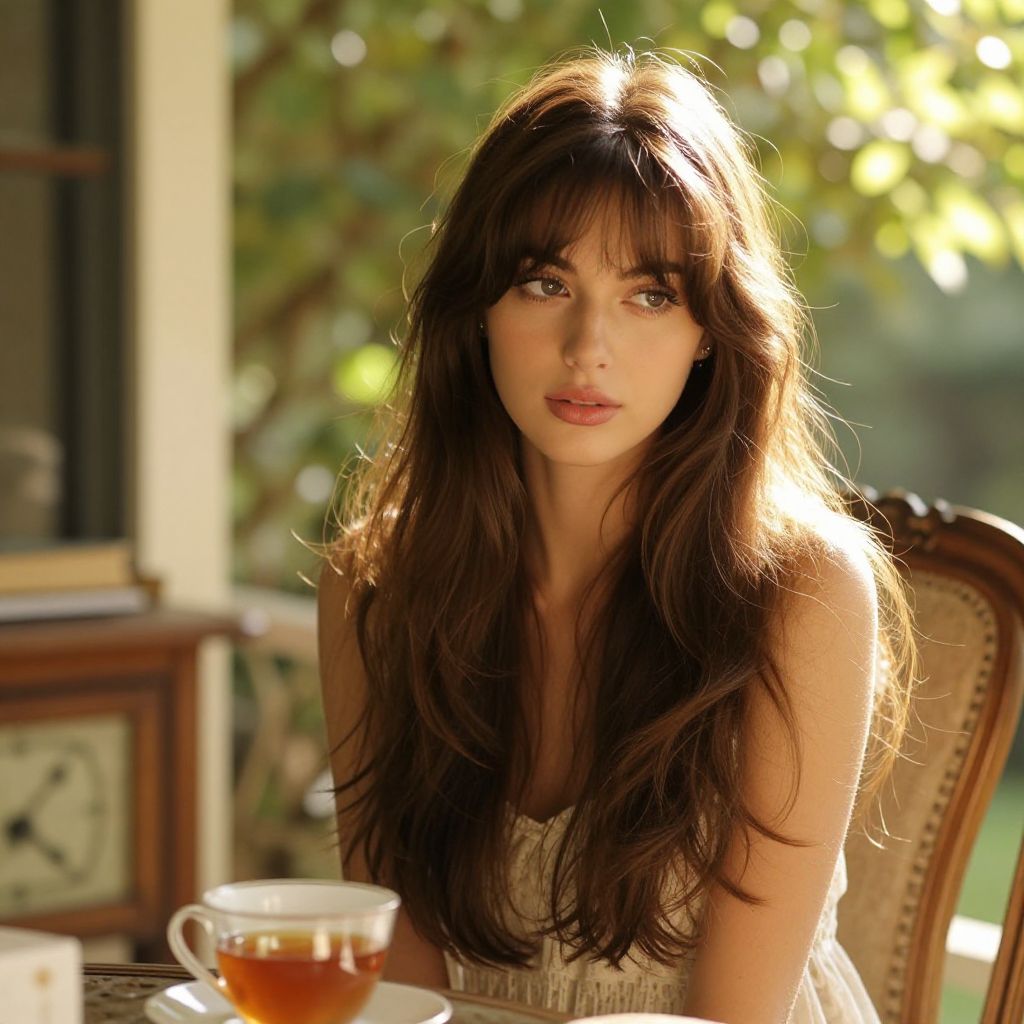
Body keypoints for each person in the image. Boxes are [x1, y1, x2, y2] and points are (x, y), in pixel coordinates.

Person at [316, 45, 916, 1024]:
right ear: (477, 311)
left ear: (710, 330)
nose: (587, 347)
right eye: (544, 283)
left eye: (649, 294)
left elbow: (736, 1014)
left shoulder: (800, 593)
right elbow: (404, 995)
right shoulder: (376, 589)